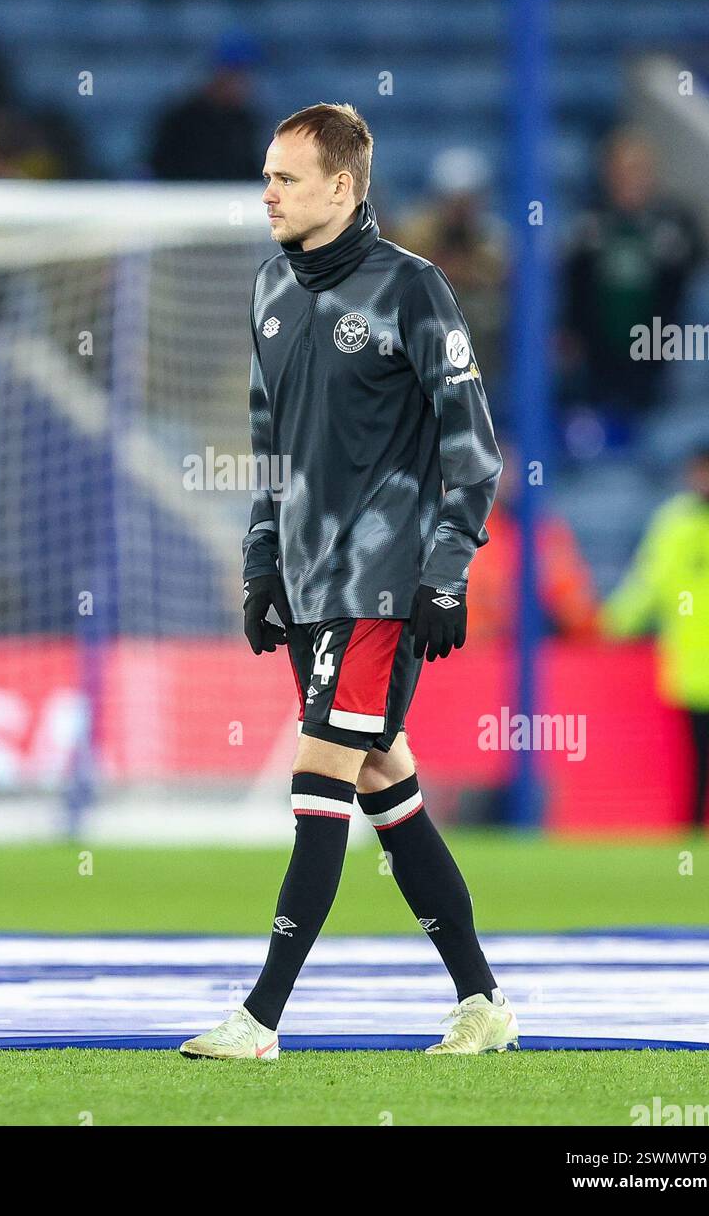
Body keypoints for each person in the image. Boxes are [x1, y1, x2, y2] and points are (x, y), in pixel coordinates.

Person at [180, 103, 517, 1061]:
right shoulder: (269, 290)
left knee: (320, 775)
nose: (268, 192)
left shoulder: (413, 290)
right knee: (384, 783)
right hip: (308, 585)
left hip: (381, 582)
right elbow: (268, 450)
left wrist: (445, 575)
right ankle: (482, 1001)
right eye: (267, 175)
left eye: (287, 177)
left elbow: (473, 450)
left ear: (344, 186)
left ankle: (260, 1017)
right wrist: (259, 564)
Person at [601, 442, 709, 827]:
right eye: (697, 471)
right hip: (697, 667)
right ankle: (697, 843)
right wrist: (610, 624)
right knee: (699, 767)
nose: (702, 479)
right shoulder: (675, 522)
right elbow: (649, 584)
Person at [560, 127, 705, 422]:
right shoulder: (589, 224)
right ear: (608, 174)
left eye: (638, 170)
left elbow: (693, 277)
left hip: (658, 354)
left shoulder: (675, 223)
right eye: (622, 170)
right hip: (599, 355)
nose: (630, 180)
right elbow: (573, 285)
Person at [392, 147, 509, 397]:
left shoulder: (493, 238)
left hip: (479, 357)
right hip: (419, 356)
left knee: (482, 312)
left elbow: (491, 273)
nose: (460, 210)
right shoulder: (413, 231)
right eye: (454, 201)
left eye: (467, 201)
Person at [469, 445, 599, 641]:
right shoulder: (465, 529)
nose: (507, 480)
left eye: (512, 470)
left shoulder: (547, 532)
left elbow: (579, 610)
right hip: (475, 656)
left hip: (547, 649)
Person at [147, 32, 264, 181]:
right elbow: (162, 168)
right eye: (233, 75)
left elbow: (249, 171)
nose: (239, 84)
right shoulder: (181, 119)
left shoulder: (245, 121)